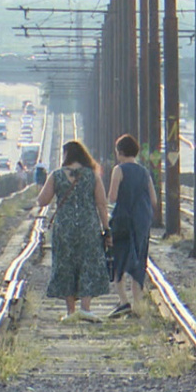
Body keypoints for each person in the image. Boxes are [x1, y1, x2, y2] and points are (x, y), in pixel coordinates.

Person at [38, 140, 111, 322]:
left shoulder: (56, 175)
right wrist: (107, 229)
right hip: (89, 225)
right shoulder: (92, 176)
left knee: (65, 264)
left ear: (66, 155)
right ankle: (85, 308)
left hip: (64, 226)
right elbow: (102, 204)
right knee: (88, 262)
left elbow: (42, 201)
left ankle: (71, 311)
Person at [107, 134, 157, 318]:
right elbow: (153, 199)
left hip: (123, 222)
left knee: (119, 261)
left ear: (120, 152)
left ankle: (124, 301)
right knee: (139, 262)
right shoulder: (144, 172)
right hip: (141, 223)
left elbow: (112, 197)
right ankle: (137, 305)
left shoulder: (119, 170)